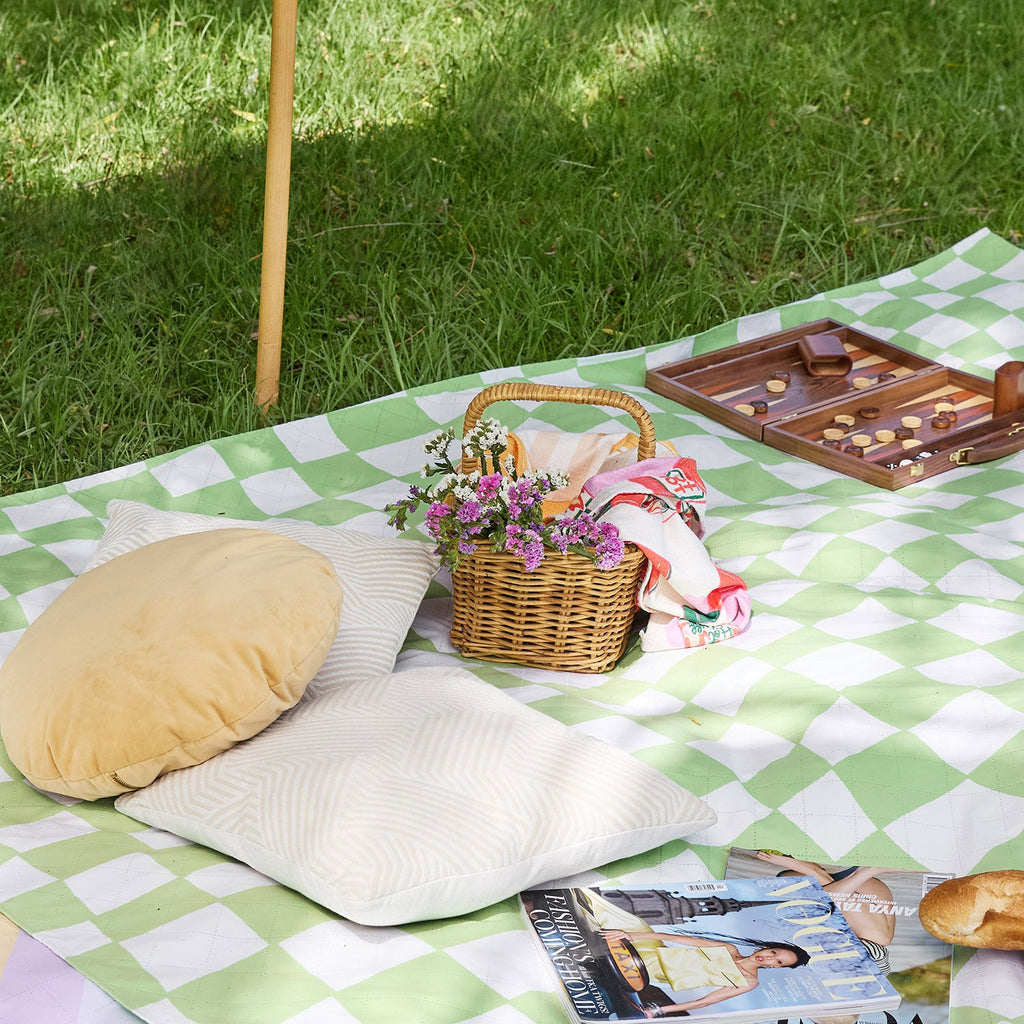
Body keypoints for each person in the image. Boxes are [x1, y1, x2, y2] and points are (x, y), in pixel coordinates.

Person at [597, 926, 810, 1018]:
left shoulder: (749, 981)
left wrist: (658, 1011)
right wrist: (630, 935)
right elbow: (677, 939)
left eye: (778, 961)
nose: (770, 957)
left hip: (645, 977)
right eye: (773, 952)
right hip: (645, 955)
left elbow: (704, 1002)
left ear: (776, 968)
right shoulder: (729, 949)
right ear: (766, 947)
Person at [755, 852, 896, 973]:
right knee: (880, 939)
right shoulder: (872, 982)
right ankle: (819, 873)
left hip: (806, 883)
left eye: (773, 953)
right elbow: (879, 954)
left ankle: (816, 873)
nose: (769, 958)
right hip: (862, 890)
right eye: (779, 961)